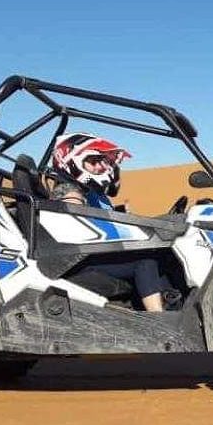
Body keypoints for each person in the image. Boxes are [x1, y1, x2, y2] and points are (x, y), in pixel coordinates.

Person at [51, 133, 180, 312]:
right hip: (79, 261)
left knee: (162, 256)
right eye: (93, 161)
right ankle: (160, 320)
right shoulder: (70, 192)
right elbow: (79, 227)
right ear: (72, 163)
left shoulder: (92, 192)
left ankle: (174, 306)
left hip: (95, 253)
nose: (101, 167)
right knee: (145, 262)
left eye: (103, 161)